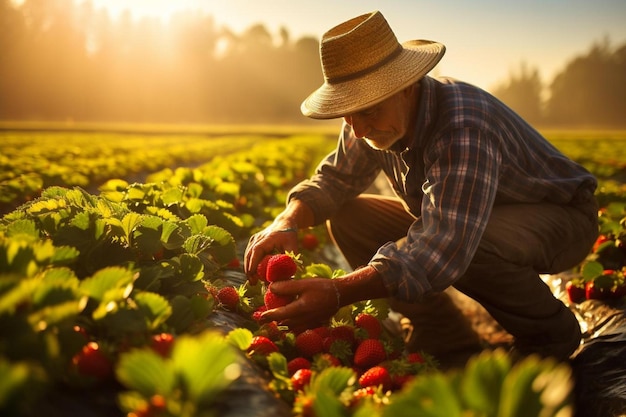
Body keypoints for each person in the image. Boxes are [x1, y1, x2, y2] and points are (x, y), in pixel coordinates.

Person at [243, 10, 598, 362]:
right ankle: (444, 334)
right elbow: (336, 179)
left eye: (368, 112)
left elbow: (446, 243)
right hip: (475, 216)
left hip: (561, 219)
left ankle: (549, 335)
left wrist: (337, 292)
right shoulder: (365, 118)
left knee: (470, 243)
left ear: (407, 87)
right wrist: (287, 220)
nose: (359, 129)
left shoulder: (463, 125)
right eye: (348, 114)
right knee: (349, 214)